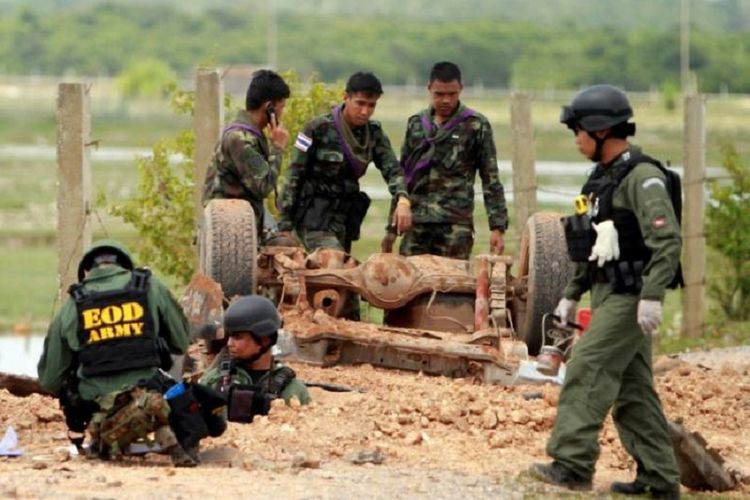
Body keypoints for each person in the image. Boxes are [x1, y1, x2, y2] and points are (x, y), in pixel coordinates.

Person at [529, 85, 682, 499]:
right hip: (605, 292)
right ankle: (659, 479)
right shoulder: (599, 181)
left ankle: (572, 465)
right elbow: (589, 245)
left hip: (630, 297)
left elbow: (666, 242)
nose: (575, 139)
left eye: (578, 130)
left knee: (587, 369)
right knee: (633, 392)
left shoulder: (643, 177)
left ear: (600, 130)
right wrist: (572, 292)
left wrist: (653, 296)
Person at [37, 239, 211, 466]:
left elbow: (50, 379)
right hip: (151, 396)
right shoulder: (150, 286)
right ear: (125, 266)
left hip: (97, 408)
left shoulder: (71, 306)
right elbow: (180, 341)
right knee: (188, 392)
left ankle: (100, 438)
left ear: (87, 271)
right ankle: (180, 439)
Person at [381, 61, 508, 260]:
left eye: (452, 94)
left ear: (461, 90)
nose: (446, 100)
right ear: (429, 89)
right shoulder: (416, 124)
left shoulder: (476, 125)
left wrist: (498, 228)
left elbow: (490, 179)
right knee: (410, 285)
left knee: (452, 285)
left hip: (455, 226)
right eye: (439, 94)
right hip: (416, 225)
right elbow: (403, 177)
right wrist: (391, 228)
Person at [277, 71, 412, 254]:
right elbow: (294, 175)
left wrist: (403, 199)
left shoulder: (373, 134)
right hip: (314, 219)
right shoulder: (318, 129)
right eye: (360, 103)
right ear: (346, 97)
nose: (365, 111)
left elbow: (393, 170)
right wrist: (284, 225)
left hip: (344, 221)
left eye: (371, 105)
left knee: (337, 275)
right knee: (336, 264)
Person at [203, 69, 291, 243]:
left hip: (243, 218)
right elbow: (264, 185)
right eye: (281, 108)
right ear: (269, 108)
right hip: (229, 226)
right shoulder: (241, 139)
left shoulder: (251, 134)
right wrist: (278, 148)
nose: (283, 113)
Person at [201, 295, 311, 422]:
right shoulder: (214, 381)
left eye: (237, 337)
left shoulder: (293, 391)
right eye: (229, 336)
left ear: (264, 339)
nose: (229, 343)